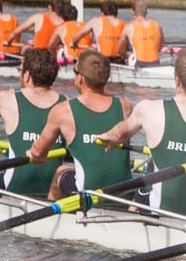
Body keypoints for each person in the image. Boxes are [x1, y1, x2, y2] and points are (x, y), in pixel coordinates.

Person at [95, 48, 186, 218]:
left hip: (162, 215)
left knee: (144, 185)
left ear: (177, 81)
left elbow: (120, 134)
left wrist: (108, 135)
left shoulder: (149, 109)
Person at [0, 46, 65, 201]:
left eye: (20, 70)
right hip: (53, 189)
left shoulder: (6, 99)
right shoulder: (68, 105)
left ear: (27, 75)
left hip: (16, 189)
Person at [24, 50, 132, 196]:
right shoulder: (125, 105)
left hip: (88, 197)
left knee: (60, 172)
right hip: (124, 194)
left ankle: (55, 217)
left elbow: (37, 152)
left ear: (80, 78)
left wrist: (33, 154)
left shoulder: (63, 110)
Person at [125, 0, 164, 65]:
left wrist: (127, 55)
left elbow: (120, 50)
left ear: (133, 12)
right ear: (146, 12)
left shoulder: (128, 27)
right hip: (156, 63)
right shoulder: (158, 25)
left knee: (130, 57)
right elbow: (160, 47)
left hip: (139, 63)